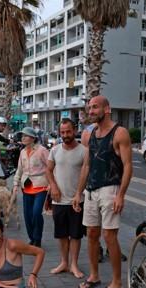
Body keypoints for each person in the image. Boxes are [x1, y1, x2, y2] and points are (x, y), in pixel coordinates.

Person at [73, 95, 132, 288]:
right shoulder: (89, 135)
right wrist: (78, 192)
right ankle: (94, 275)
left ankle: (117, 282)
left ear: (107, 109)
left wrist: (121, 195)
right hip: (91, 190)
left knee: (109, 236)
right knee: (91, 234)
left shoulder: (120, 133)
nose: (91, 112)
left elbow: (128, 166)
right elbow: (87, 165)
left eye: (95, 108)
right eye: (89, 108)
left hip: (110, 189)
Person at [46, 118, 86, 279]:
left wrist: (79, 194)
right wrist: (53, 186)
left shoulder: (84, 150)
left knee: (75, 235)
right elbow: (48, 170)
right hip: (58, 201)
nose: (65, 135)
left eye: (68, 131)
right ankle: (63, 262)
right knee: (61, 234)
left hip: (77, 200)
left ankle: (74, 264)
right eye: (62, 132)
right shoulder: (55, 150)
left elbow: (86, 174)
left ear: (75, 131)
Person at [13, 127, 49, 247]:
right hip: (26, 187)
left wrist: (52, 185)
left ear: (33, 138)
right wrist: (15, 185)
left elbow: (50, 167)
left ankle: (37, 238)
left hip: (41, 186)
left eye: (26, 135)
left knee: (36, 213)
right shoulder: (22, 152)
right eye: (22, 136)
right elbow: (19, 170)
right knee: (27, 215)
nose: (23, 138)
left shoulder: (42, 150)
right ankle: (32, 238)